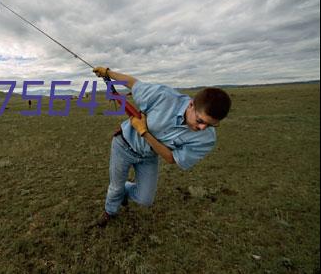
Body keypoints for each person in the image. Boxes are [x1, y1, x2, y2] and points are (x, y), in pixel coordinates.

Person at [92, 67, 232, 228]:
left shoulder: (207, 139)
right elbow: (133, 84)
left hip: (149, 156)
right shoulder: (163, 96)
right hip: (123, 145)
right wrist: (108, 73)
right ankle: (110, 212)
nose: (202, 128)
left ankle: (123, 190)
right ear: (191, 105)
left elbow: (171, 158)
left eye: (211, 125)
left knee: (144, 199)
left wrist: (144, 132)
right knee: (115, 188)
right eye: (200, 121)